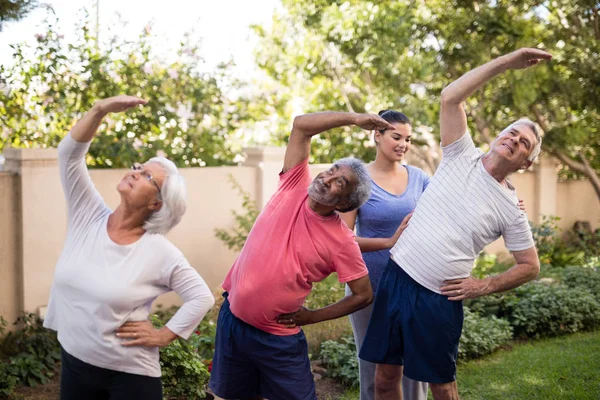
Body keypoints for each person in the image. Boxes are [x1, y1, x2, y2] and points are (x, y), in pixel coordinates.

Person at [359, 48, 551, 400]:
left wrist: (484, 285)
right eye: (511, 132)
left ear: (526, 162)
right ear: (498, 135)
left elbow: (530, 266)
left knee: (442, 387)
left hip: (438, 298)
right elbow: (450, 96)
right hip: (397, 277)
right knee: (385, 379)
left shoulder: (512, 209)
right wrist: (508, 62)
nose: (514, 140)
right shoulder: (461, 153)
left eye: (525, 143)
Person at [209, 111, 396, 400]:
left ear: (345, 203)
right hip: (233, 321)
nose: (327, 178)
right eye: (332, 170)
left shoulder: (342, 241)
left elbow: (363, 294)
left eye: (339, 182)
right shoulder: (293, 184)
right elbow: (301, 126)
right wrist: (354, 119)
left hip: (277, 339)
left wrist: (312, 317)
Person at [43, 95, 215, 400]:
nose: (135, 172)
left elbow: (200, 296)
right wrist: (100, 109)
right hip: (75, 363)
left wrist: (164, 334)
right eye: (139, 167)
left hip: (129, 375)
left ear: (156, 203)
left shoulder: (160, 252)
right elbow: (69, 156)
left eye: (148, 176)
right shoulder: (88, 214)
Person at [339, 110, 430, 400]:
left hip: (414, 283)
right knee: (373, 365)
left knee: (414, 364)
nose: (403, 144)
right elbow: (342, 240)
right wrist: (388, 242)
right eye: (396, 136)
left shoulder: (419, 179)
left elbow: (448, 213)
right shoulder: (357, 179)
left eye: (408, 139)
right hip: (369, 285)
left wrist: (503, 201)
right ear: (377, 135)